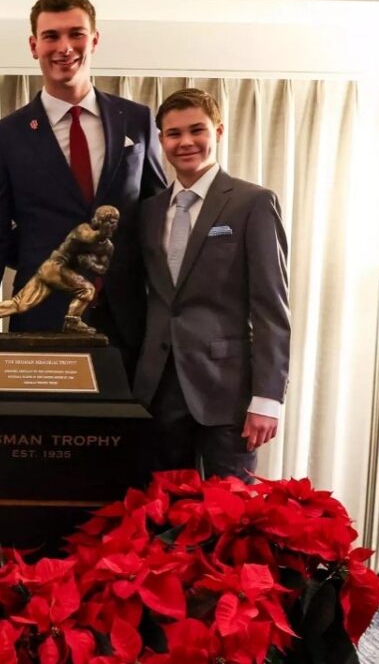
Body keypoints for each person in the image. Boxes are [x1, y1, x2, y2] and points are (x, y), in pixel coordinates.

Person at [0, 0, 166, 393]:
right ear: (33, 45)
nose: (64, 47)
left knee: (124, 434)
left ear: (94, 39)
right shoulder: (3, 138)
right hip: (40, 317)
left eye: (76, 34)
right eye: (51, 36)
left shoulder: (137, 120)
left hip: (129, 320)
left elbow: (157, 218)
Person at [132, 88, 290, 482]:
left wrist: (268, 397)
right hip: (159, 390)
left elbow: (271, 306)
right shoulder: (148, 211)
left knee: (230, 512)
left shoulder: (252, 202)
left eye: (196, 130)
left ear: (217, 131)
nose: (185, 142)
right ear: (161, 141)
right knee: (164, 509)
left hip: (228, 392)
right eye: (174, 134)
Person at [0, 206, 118, 335]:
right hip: (54, 267)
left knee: (22, 303)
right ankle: (72, 321)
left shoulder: (108, 247)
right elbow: (87, 238)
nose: (111, 226)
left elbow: (102, 269)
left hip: (55, 272)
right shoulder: (83, 229)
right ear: (98, 221)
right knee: (87, 290)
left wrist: (90, 264)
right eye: (108, 221)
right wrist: (101, 233)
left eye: (114, 222)